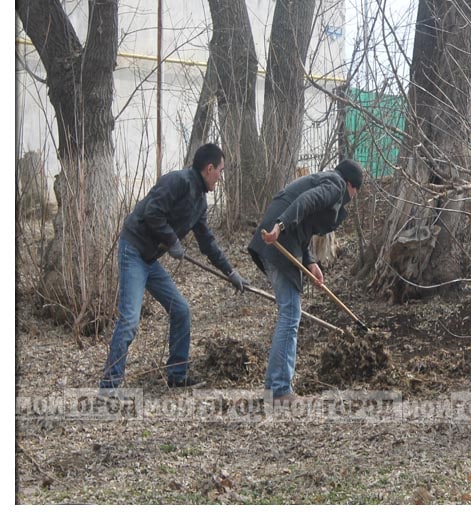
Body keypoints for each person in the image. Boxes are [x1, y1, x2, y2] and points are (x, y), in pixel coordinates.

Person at [99, 143, 247, 396]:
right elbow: (151, 212)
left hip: (149, 259)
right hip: (133, 250)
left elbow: (207, 242)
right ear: (209, 168)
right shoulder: (176, 181)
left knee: (181, 310)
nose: (220, 178)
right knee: (130, 319)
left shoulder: (200, 202)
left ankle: (177, 375)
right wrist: (172, 240)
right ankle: (109, 388)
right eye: (220, 171)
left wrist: (229, 272)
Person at [248, 159, 363, 404]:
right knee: (290, 313)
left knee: (289, 312)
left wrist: (311, 262)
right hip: (277, 241)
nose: (352, 198)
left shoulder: (324, 180)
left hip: (279, 241)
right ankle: (279, 390)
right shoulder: (335, 185)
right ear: (351, 185)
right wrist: (280, 225)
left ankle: (273, 387)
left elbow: (305, 225)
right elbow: (304, 203)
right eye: (356, 192)